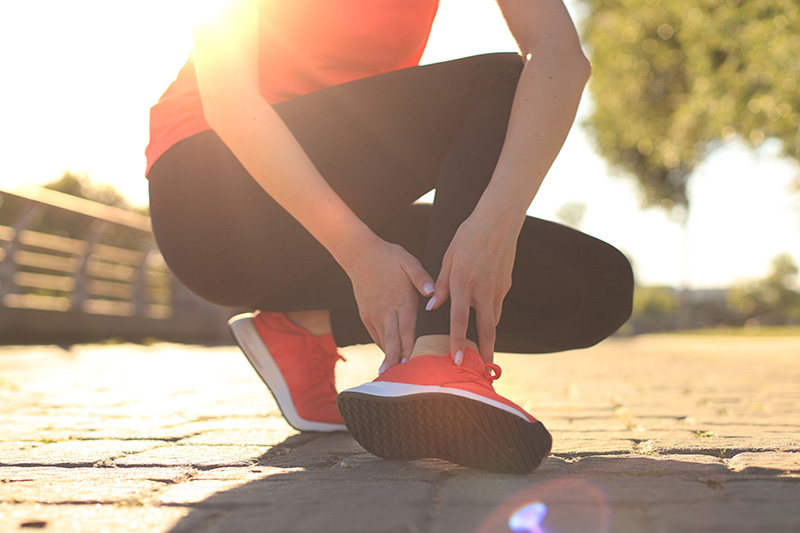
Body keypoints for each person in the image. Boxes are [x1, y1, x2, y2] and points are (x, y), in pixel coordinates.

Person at [146, 0, 633, 475]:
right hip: (210, 200)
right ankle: (438, 360)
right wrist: (359, 254)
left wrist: (494, 229)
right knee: (502, 81)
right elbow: (229, 100)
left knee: (593, 287)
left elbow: (561, 56)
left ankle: (305, 327)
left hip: (330, 210)